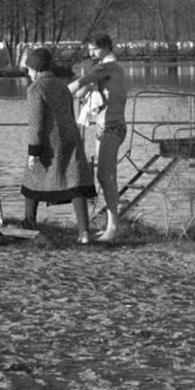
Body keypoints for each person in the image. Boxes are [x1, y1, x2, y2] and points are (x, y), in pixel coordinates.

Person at [19, 46, 97, 243]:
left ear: (36, 68)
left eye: (29, 69)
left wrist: (33, 151)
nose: (28, 73)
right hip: (70, 138)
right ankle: (84, 232)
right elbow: (69, 114)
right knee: (75, 182)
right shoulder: (62, 85)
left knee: (32, 176)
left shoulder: (36, 88)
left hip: (50, 142)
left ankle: (29, 222)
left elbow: (36, 123)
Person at [68, 33, 129, 241]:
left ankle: (113, 228)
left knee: (106, 176)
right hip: (103, 127)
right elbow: (81, 91)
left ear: (103, 48)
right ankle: (111, 225)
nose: (90, 53)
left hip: (113, 126)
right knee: (103, 176)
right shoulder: (104, 69)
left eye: (93, 49)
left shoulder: (110, 67)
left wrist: (56, 92)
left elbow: (78, 85)